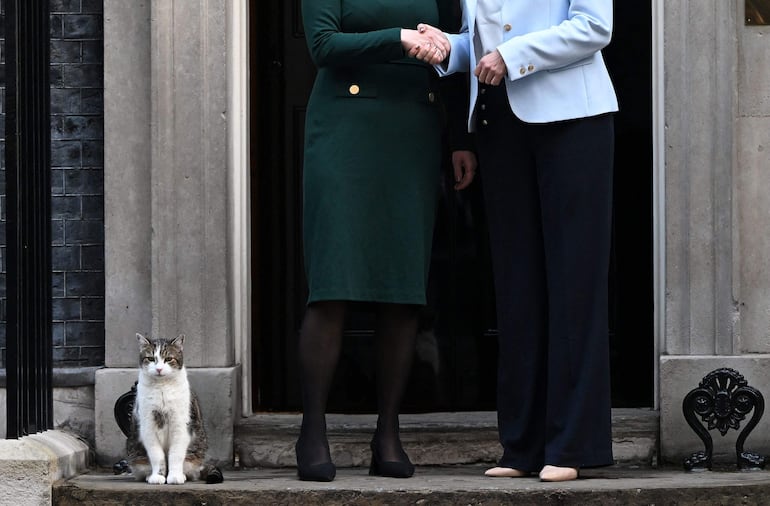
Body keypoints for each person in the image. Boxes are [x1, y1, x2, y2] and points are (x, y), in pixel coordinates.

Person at [415, 0, 619, 482]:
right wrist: (449, 48)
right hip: (499, 123)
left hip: (575, 122)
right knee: (516, 287)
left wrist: (512, 55)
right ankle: (522, 446)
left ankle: (573, 445)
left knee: (573, 285)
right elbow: (480, 42)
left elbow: (595, 27)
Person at [297, 0, 477, 482]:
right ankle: (312, 432)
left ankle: (388, 434)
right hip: (342, 129)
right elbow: (322, 44)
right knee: (332, 281)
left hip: (413, 128)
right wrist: (398, 38)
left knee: (402, 290)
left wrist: (459, 138)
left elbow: (455, 48)